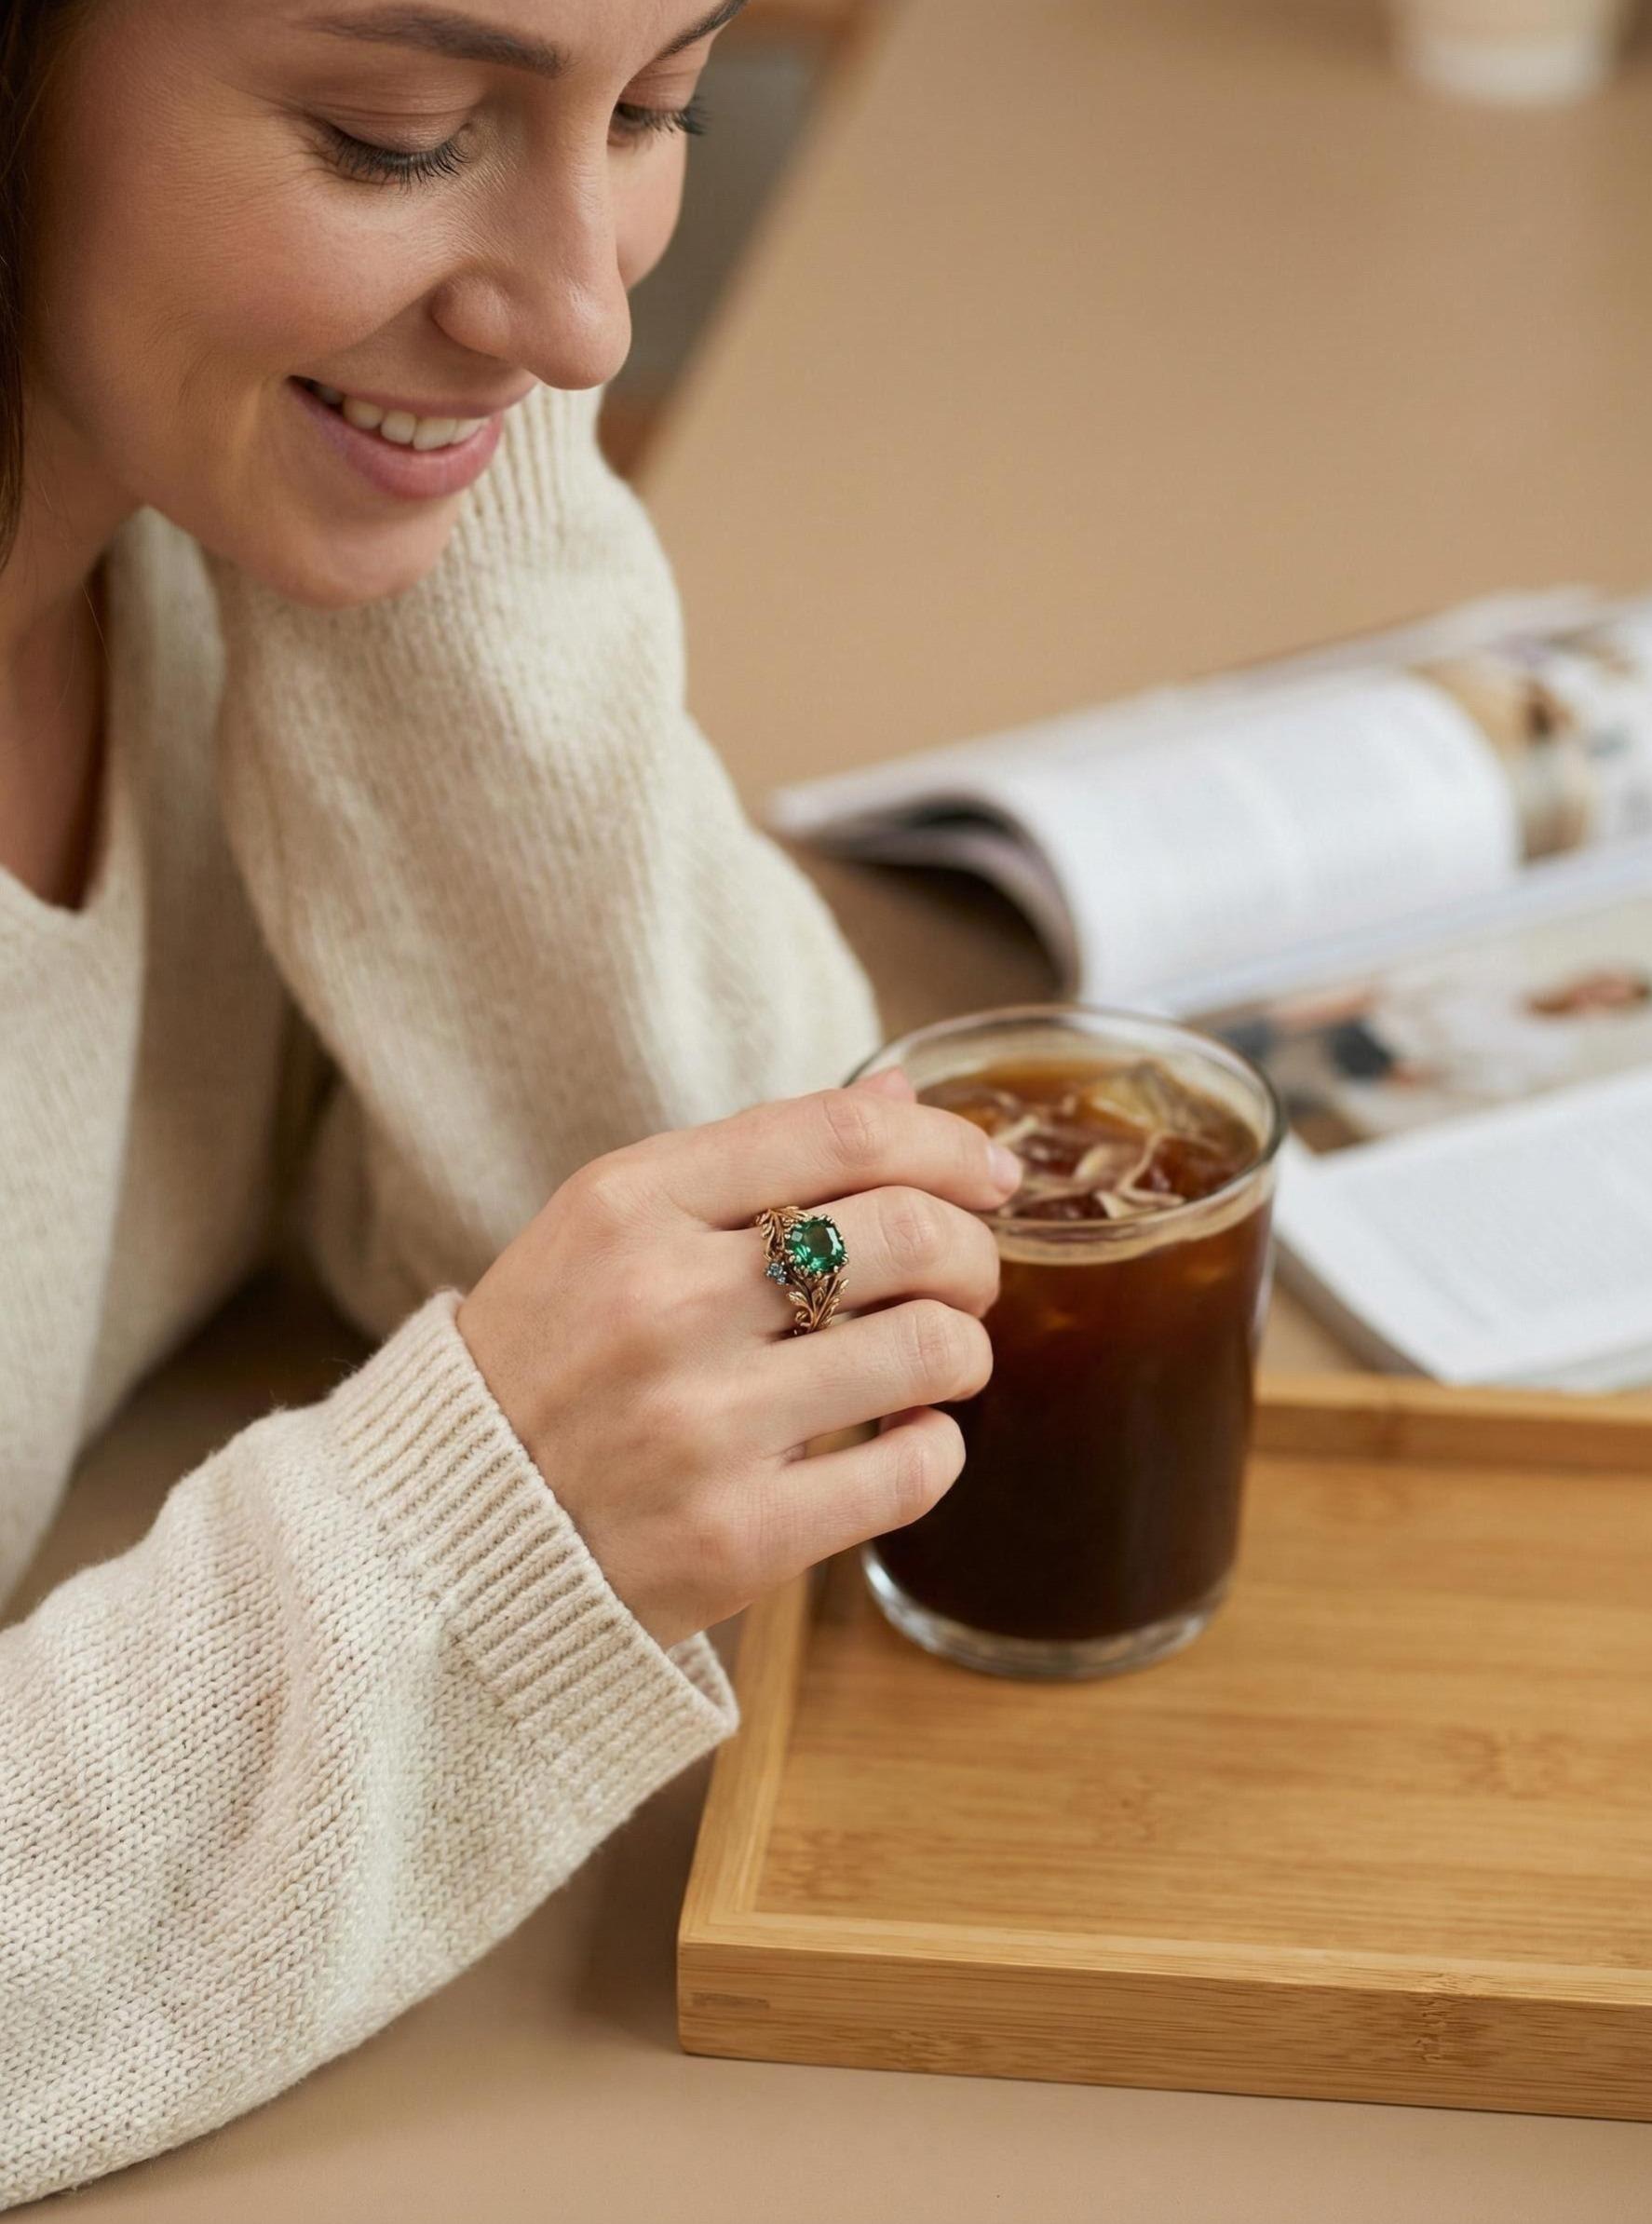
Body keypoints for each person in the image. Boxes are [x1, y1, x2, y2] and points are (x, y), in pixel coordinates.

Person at [0, 0, 1024, 2202]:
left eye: (659, 103)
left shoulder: (174, 511)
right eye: (393, 134)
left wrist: (408, 465)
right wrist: (468, 1561)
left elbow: (743, 1248)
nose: (586, 323)